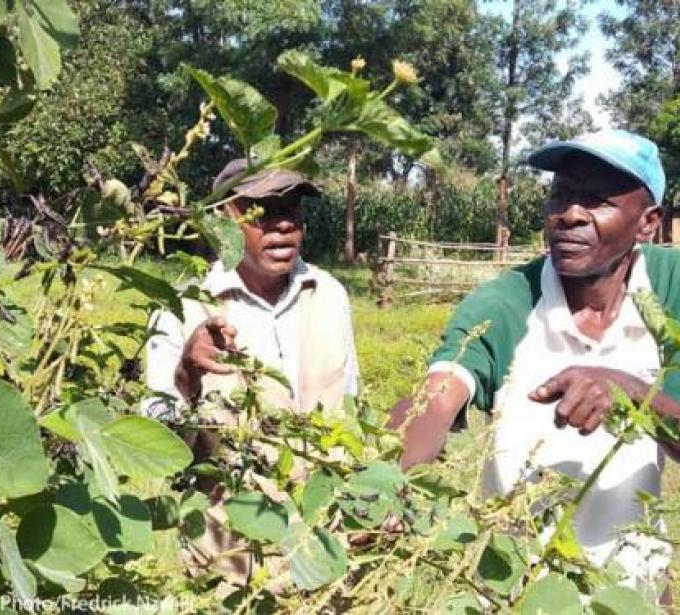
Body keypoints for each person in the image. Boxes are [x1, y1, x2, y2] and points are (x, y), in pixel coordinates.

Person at [391, 129, 680, 598]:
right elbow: (437, 398)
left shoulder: (670, 290)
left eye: (597, 200)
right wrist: (381, 485)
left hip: (634, 592)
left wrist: (633, 392)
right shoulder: (507, 302)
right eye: (560, 195)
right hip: (517, 592)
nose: (570, 215)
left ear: (647, 223)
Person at [144, 158, 359, 588]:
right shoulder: (183, 308)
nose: (283, 224)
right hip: (228, 559)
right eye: (263, 210)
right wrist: (186, 375)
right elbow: (156, 448)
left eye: (291, 208)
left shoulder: (330, 295)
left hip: (325, 551)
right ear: (224, 218)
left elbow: (352, 412)